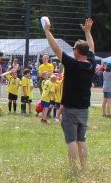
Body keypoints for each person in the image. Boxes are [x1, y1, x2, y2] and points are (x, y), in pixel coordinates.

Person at [41, 15, 97, 173]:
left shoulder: (72, 64)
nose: (72, 50)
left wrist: (47, 31)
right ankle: (84, 168)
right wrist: (88, 32)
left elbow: (56, 49)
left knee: (72, 141)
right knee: (81, 140)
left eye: (73, 49)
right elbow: (92, 48)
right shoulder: (91, 64)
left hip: (70, 109)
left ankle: (73, 169)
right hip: (84, 109)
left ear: (77, 51)